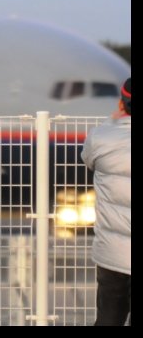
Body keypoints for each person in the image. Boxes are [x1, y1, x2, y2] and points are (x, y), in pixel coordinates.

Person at [80, 77, 131, 326]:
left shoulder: (101, 137)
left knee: (109, 318)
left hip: (112, 253)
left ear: (122, 104)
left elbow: (88, 159)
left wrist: (113, 122)